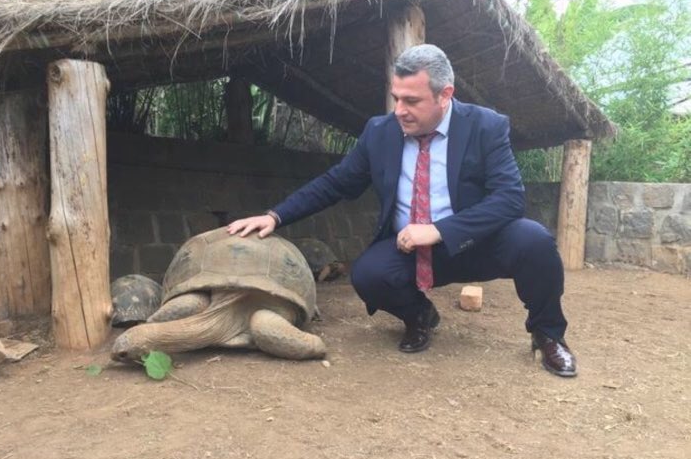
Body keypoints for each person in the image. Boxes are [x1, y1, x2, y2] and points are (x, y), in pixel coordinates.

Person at [227, 44, 577, 377]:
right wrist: (275, 215)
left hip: (476, 243)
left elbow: (510, 198)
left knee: (534, 241)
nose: (399, 110)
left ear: (445, 95)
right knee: (369, 274)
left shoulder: (485, 126)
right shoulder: (380, 132)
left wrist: (442, 230)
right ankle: (419, 314)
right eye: (396, 98)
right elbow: (336, 183)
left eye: (412, 100)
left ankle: (547, 334)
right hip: (410, 249)